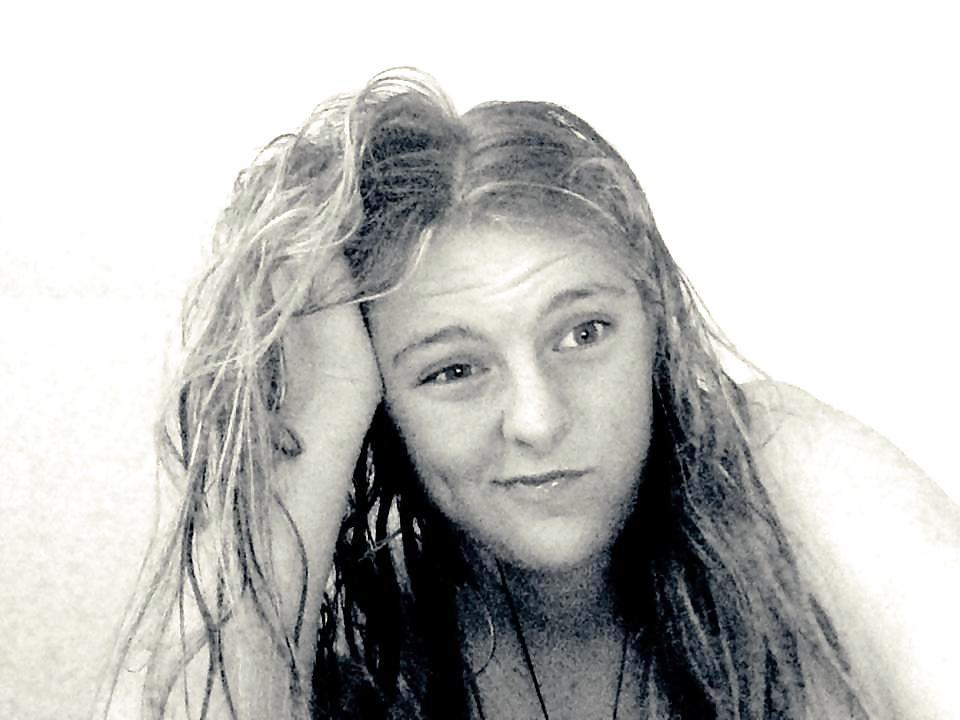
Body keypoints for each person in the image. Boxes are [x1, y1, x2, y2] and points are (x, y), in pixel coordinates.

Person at [98, 68, 959, 720]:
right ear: (383, 404)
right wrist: (313, 435)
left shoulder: (785, 474)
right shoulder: (364, 644)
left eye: (584, 333)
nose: (540, 421)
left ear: (655, 327)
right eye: (453, 371)